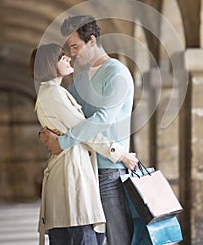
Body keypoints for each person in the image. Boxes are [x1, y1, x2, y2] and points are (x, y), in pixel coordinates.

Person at [40, 15, 136, 245]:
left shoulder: (117, 73)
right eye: (69, 48)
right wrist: (46, 133)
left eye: (75, 46)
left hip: (110, 172)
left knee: (117, 238)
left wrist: (62, 142)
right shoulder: (80, 79)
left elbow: (103, 119)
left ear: (92, 40)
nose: (72, 54)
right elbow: (65, 115)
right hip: (86, 169)